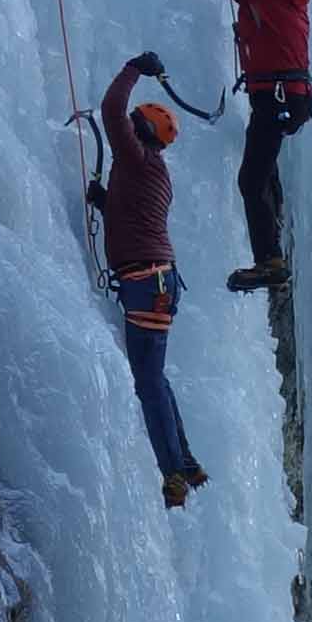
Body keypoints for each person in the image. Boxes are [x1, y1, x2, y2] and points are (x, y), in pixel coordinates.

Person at [167, 0, 312, 292]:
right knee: (263, 171)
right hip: (289, 99)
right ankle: (274, 238)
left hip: (277, 98)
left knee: (250, 179)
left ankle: (269, 260)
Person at [87, 51, 208, 511]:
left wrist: (133, 68)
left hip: (147, 284)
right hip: (157, 282)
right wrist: (104, 203)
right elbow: (135, 219)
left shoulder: (136, 159)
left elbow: (109, 109)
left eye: (134, 122)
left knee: (148, 382)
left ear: (139, 131)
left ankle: (174, 471)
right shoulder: (150, 173)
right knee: (154, 377)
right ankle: (185, 459)